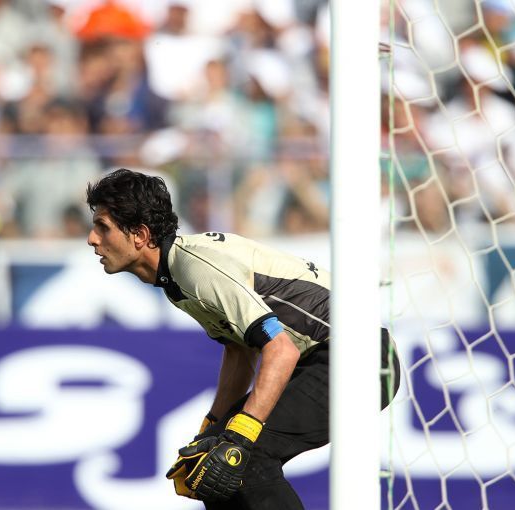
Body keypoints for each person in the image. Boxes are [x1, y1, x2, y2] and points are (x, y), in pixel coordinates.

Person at [85, 168, 400, 509]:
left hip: (360, 358)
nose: (92, 239)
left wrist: (239, 436)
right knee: (211, 465)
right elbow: (240, 351)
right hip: (327, 358)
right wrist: (211, 429)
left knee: (244, 458)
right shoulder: (176, 274)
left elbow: (280, 350)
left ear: (140, 234)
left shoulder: (194, 268)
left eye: (103, 226)